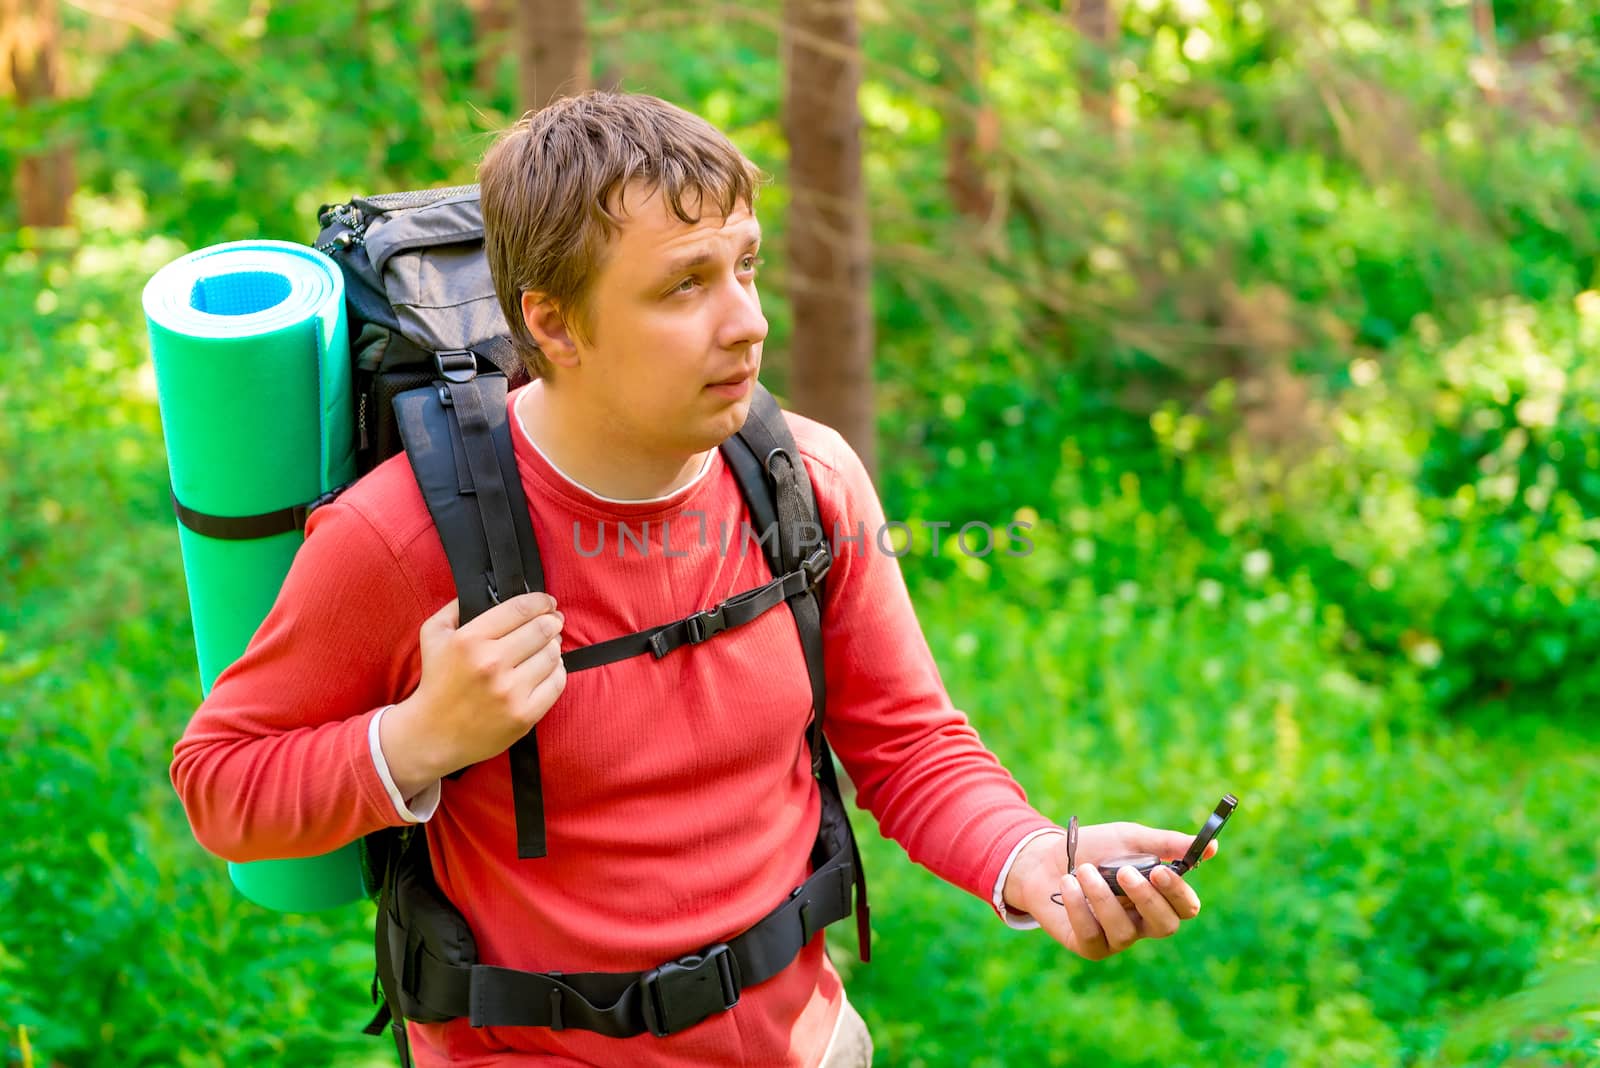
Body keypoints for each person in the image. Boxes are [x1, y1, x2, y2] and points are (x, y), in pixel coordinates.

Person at [171, 91, 1216, 1068]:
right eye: (684, 285)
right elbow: (221, 785)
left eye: (745, 268)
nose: (746, 323)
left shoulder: (803, 480)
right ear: (554, 323)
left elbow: (906, 745)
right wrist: (419, 739)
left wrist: (1033, 856)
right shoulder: (400, 539)